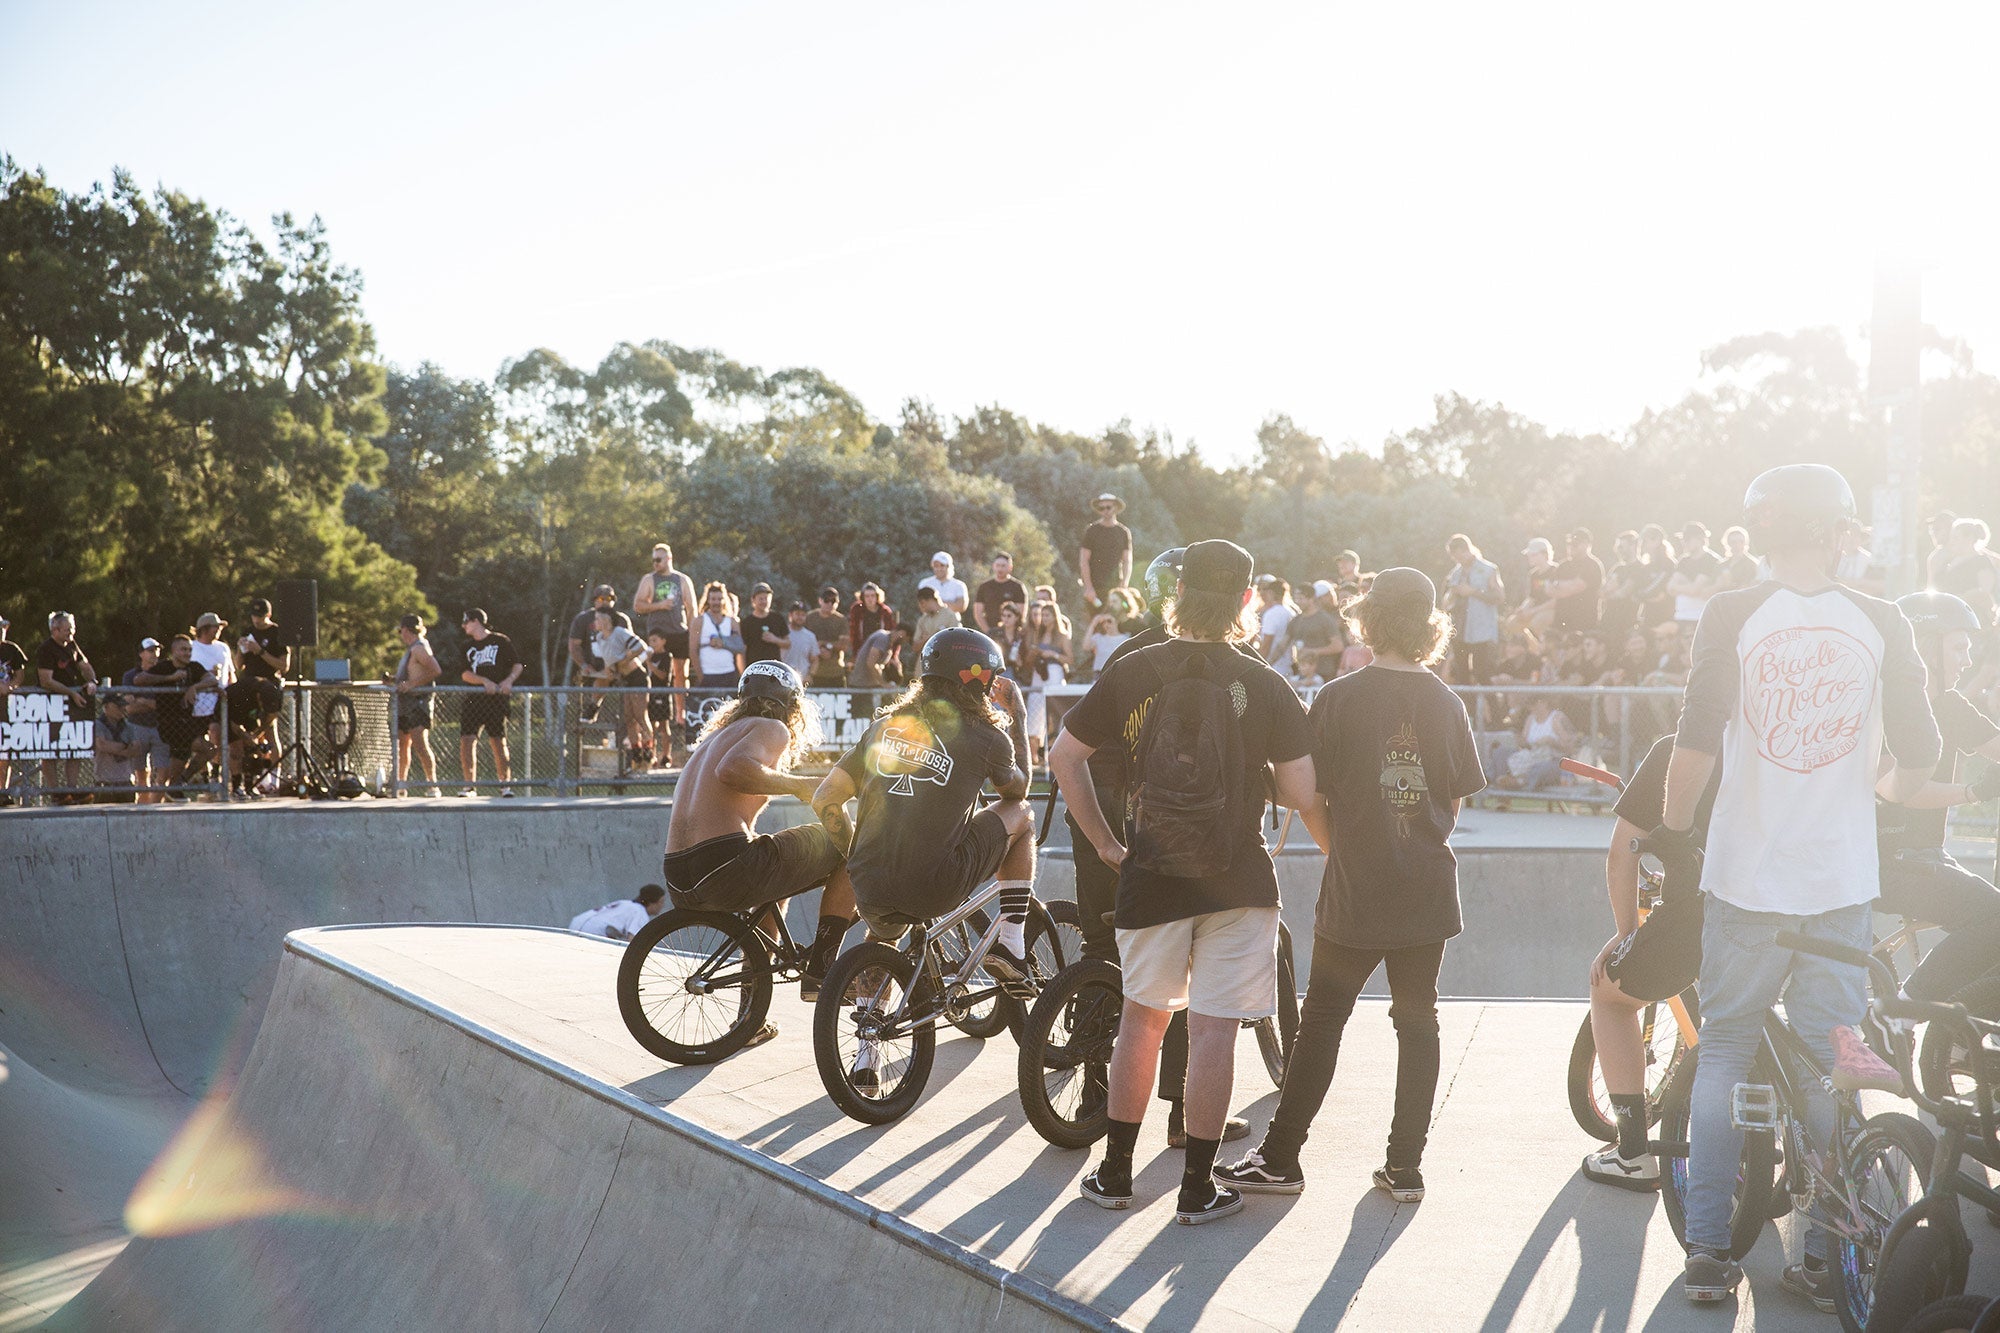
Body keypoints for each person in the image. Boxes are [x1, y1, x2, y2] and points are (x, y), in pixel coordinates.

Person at [1652, 464, 1940, 1305]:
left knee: (1726, 1046)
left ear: (1761, 531)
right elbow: (1918, 753)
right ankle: (1828, 1245)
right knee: (1830, 1053)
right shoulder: (1884, 621)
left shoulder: (1734, 612)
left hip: (1746, 873)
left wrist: (1672, 830)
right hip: (1839, 878)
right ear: (1843, 531)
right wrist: (1875, 789)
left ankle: (1709, 1248)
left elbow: (1696, 734)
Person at [1052, 539, 1316, 1225]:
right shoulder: (1265, 682)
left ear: (1178, 592)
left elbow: (1063, 756)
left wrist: (1108, 843)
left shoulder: (1133, 668)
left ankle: (1114, 1173)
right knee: (1214, 1031)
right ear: (1245, 601)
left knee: (1142, 1021)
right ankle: (1197, 1187)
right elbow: (1301, 787)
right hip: (1238, 881)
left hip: (1150, 874)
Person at [1218, 568, 1484, 1202]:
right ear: (1430, 626)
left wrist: (1343, 848)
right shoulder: (1447, 701)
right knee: (1419, 1023)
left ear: (1370, 620)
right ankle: (1405, 1167)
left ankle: (1281, 1158)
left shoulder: (1338, 698)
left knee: (1323, 1021)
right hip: (1426, 886)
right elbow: (1452, 799)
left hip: (1359, 888)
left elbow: (1305, 794)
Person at [811, 629, 1039, 1045]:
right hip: (935, 885)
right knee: (1023, 815)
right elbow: (1017, 792)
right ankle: (1010, 942)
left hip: (869, 884)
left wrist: (856, 852)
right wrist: (1019, 717)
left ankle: (866, 1052)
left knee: (882, 936)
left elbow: (825, 797)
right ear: (976, 679)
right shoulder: (988, 737)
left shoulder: (884, 727)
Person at [1578, 734, 1724, 1191]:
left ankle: (1633, 1153)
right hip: (1784, 913)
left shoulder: (1677, 749)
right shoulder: (1783, 743)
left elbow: (1623, 852)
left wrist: (1626, 934)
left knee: (1609, 995)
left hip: (1696, 918)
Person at [667, 661, 856, 1005]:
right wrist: (803, 786)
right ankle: (822, 972)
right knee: (852, 852)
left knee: (777, 877)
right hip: (723, 867)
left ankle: (750, 1013)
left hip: (680, 877)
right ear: (793, 706)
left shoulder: (715, 740)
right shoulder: (772, 728)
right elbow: (734, 771)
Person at [1871, 591, 2000, 1003]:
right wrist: (1972, 792)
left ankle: (1959, 1042)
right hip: (1882, 860)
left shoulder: (1948, 704)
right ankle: (1902, 1010)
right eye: (1959, 648)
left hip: (1925, 857)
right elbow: (1902, 791)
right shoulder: (1885, 706)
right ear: (1927, 647)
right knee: (1994, 920)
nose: (1967, 660)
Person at [458, 608, 523, 798]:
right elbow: (465, 673)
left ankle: (505, 785)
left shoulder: (501, 641)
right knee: (467, 741)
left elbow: (517, 665)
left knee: (498, 741)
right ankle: (469, 786)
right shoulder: (466, 647)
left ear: (476, 621)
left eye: (466, 622)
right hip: (474, 700)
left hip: (496, 701)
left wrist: (508, 680)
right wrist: (484, 681)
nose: (463, 626)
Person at [35, 611, 98, 801]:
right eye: (67, 629)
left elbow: (84, 665)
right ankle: (55, 791)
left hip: (72, 702)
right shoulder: (46, 649)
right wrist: (71, 692)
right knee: (50, 749)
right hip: (50, 702)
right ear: (55, 630)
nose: (71, 633)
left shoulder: (71, 645)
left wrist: (92, 681)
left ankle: (72, 788)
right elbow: (46, 680)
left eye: (73, 628)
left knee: (75, 746)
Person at [634, 544, 696, 734]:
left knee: (680, 673)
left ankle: (681, 712)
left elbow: (691, 608)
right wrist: (660, 605)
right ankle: (650, 714)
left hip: (679, 631)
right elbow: (638, 606)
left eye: (658, 560)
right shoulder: (649, 579)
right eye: (653, 560)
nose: (655, 563)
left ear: (669, 559)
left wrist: (693, 633)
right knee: (654, 672)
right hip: (658, 632)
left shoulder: (682, 579)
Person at [592, 606, 653, 769]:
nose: (595, 622)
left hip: (637, 676)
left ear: (607, 620)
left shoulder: (619, 632)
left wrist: (626, 660)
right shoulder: (599, 638)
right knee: (628, 718)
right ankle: (636, 755)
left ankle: (648, 753)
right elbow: (608, 661)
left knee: (640, 715)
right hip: (624, 679)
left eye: (598, 618)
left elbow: (641, 646)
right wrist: (611, 671)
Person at [388, 613, 442, 795]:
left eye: (401, 631)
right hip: (405, 703)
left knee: (420, 742)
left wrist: (411, 685)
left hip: (418, 702)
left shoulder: (419, 648)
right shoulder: (411, 649)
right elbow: (412, 674)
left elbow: (435, 670)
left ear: (406, 630)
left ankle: (432, 784)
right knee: (403, 744)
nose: (400, 635)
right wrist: (394, 680)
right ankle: (401, 784)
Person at [1016, 600, 1072, 769]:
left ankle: (1054, 757)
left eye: (1047, 615)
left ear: (1054, 616)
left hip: (1054, 673)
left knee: (1055, 714)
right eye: (1042, 615)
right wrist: (1033, 654)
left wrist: (1052, 654)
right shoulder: (1036, 634)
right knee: (1034, 710)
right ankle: (1033, 758)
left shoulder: (1062, 636)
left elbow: (1070, 659)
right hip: (1038, 674)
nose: (1044, 618)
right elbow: (1026, 661)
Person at [1443, 535, 1505, 685]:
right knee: (1461, 674)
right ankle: (1467, 707)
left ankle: (1495, 708)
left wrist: (1473, 592)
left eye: (1460, 555)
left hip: (1481, 631)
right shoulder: (1455, 573)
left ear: (1467, 550)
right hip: (1460, 630)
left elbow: (1499, 597)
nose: (1459, 560)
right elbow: (1447, 602)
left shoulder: (1488, 569)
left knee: (1481, 673)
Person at [118, 637, 171, 803]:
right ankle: (143, 802)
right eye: (150, 650)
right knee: (140, 769)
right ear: (141, 654)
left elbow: (165, 704)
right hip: (137, 725)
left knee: (164, 768)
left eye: (156, 650)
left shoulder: (164, 674)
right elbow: (128, 706)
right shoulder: (130, 675)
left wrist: (143, 701)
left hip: (161, 726)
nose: (154, 654)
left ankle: (156, 804)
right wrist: (152, 703)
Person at [187, 611, 236, 766]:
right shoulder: (192, 647)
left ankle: (217, 770)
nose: (218, 630)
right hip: (198, 701)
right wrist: (207, 674)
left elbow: (230, 674)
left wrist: (233, 690)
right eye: (215, 627)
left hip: (218, 699)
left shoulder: (223, 648)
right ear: (204, 629)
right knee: (199, 741)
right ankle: (204, 773)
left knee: (217, 732)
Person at [1078, 493, 1133, 616]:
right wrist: (1088, 587)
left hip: (1114, 587)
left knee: (1116, 622)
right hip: (1095, 588)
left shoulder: (1123, 532)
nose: (1105, 511)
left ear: (1115, 508)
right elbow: (1084, 561)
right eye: (1102, 508)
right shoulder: (1091, 531)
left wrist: (1124, 585)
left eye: (1108, 507)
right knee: (1096, 624)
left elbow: (1127, 561)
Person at [1668, 522, 1721, 633]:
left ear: (1700, 539)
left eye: (1687, 539)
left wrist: (1683, 586)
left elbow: (1694, 590)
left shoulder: (1710, 560)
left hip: (1701, 617)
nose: (1683, 542)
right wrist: (1690, 586)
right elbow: (1670, 588)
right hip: (1681, 617)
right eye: (1683, 539)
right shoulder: (1683, 561)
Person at [92, 692, 146, 802]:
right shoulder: (98, 725)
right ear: (106, 707)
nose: (122, 709)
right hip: (104, 783)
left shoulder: (128, 726)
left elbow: (137, 749)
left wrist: (115, 748)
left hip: (125, 782)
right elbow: (102, 745)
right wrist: (126, 747)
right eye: (118, 706)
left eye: (123, 706)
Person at [1550, 528, 1604, 633]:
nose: (1571, 547)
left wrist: (1558, 586)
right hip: (1560, 619)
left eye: (1575, 544)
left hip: (1583, 620)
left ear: (1587, 544)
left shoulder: (1593, 565)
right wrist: (1566, 587)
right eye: (1569, 544)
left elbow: (1576, 587)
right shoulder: (1563, 566)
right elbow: (1549, 590)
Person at [693, 582, 744, 693]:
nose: (717, 602)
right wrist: (701, 676)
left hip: (729, 674)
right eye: (713, 599)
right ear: (708, 600)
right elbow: (692, 650)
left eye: (719, 599)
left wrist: (741, 675)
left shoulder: (732, 622)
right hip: (708, 674)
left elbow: (739, 648)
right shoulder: (699, 621)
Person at [569, 885, 668, 941]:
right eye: (661, 902)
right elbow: (633, 941)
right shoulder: (640, 913)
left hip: (576, 923)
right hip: (593, 932)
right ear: (651, 902)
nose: (662, 906)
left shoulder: (624, 902)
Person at [1599, 531, 1647, 641]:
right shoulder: (1617, 568)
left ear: (1633, 546)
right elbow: (1601, 592)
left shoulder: (1640, 568)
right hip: (1608, 621)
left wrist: (1613, 588)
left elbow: (1623, 593)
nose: (1618, 550)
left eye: (1621, 547)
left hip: (1626, 622)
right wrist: (1614, 588)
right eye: (1617, 547)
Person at [803, 587, 849, 688]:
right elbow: (802, 640)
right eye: (826, 600)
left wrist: (825, 645)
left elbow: (844, 646)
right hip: (813, 673)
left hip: (835, 672)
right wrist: (817, 649)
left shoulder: (841, 620)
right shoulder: (810, 618)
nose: (830, 604)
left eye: (833, 601)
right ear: (820, 600)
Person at [973, 553, 1027, 634]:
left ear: (1010, 567)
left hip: (1010, 634)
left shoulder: (1018, 587)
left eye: (1003, 566)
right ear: (993, 566)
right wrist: (989, 632)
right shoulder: (984, 587)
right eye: (997, 565)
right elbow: (978, 613)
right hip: (990, 631)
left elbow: (1021, 613)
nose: (1000, 569)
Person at [740, 583, 790, 667]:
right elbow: (742, 651)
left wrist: (775, 639)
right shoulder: (746, 623)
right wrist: (743, 672)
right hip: (754, 668)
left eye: (766, 598)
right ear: (753, 600)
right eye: (760, 599)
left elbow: (788, 644)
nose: (764, 601)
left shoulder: (778, 618)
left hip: (774, 667)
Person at [846, 583, 895, 656]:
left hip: (881, 650)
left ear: (877, 596)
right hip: (862, 649)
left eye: (873, 596)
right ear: (862, 597)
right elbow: (853, 633)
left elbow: (892, 635)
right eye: (867, 596)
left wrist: (894, 656)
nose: (870, 599)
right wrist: (855, 654)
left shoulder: (885, 611)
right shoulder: (857, 609)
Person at [918, 552, 970, 616]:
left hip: (951, 622)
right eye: (936, 566)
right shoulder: (924, 583)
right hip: (930, 622)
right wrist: (949, 604)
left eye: (942, 565)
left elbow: (961, 606)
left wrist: (935, 604)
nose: (939, 569)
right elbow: (922, 606)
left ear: (948, 566)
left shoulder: (959, 585)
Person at [1079, 612, 1129, 677]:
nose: (1106, 624)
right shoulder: (1098, 638)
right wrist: (1093, 624)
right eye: (1103, 622)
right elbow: (1086, 647)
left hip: (1117, 674)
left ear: (1116, 621)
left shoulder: (1125, 639)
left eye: (1109, 621)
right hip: (1100, 675)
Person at [779, 602, 819, 678]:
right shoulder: (781, 633)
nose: (800, 617)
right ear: (790, 615)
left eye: (803, 615)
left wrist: (810, 676)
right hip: (782, 678)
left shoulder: (810, 636)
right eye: (797, 614)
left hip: (802, 680)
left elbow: (815, 660)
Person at [1717, 525, 1758, 592]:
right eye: (1733, 542)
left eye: (1741, 542)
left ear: (1746, 543)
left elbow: (1749, 588)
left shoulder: (1752, 564)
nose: (1738, 545)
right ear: (1727, 544)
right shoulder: (1721, 565)